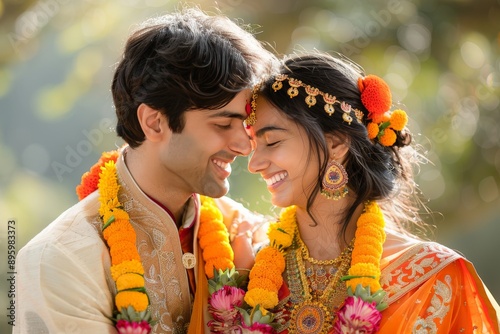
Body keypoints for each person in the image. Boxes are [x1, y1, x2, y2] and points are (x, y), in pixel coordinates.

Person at [14, 7, 276, 334]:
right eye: (224, 124)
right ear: (154, 122)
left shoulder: (244, 234)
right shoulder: (62, 261)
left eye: (246, 125)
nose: (245, 145)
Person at [242, 53, 500, 333]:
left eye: (272, 141)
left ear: (336, 144)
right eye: (254, 145)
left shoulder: (432, 278)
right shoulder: (251, 270)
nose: (254, 164)